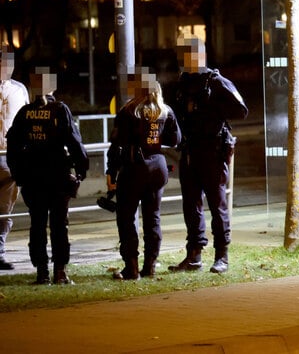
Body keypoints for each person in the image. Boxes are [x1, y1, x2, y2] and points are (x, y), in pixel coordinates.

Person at [167, 37, 248, 274]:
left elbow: (241, 110)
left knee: (217, 205)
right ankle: (194, 255)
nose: (182, 61)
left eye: (187, 55)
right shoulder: (183, 84)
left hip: (212, 151)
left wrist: (211, 111)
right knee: (191, 206)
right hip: (190, 151)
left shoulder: (217, 82)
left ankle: (222, 255)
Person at [6, 67, 88, 285]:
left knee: (37, 225)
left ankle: (42, 272)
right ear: (53, 86)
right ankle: (60, 272)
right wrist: (81, 169)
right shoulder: (60, 110)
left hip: (34, 179)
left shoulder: (24, 113)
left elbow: (13, 146)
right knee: (60, 225)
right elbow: (74, 141)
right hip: (58, 177)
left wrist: (20, 175)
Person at [107, 70, 182, 280]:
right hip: (157, 167)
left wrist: (111, 172)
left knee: (126, 218)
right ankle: (150, 266)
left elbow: (117, 145)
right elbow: (175, 139)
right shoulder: (165, 111)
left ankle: (131, 267)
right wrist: (155, 137)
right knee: (153, 218)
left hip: (134, 168)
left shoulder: (129, 111)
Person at [0, 45, 29, 270]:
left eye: (9, 63)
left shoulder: (19, 90)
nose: (6, 67)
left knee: (5, 209)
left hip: (10, 158)